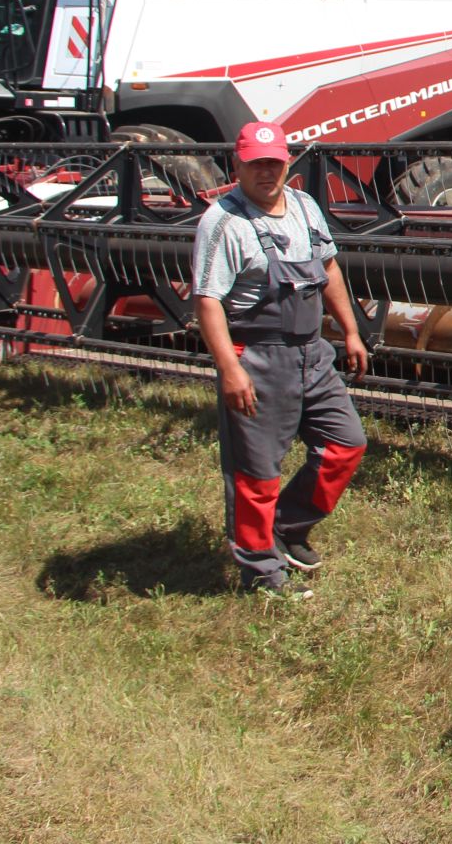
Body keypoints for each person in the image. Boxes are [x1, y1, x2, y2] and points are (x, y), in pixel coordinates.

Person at [192, 119, 369, 597]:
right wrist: (230, 368)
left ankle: (287, 527)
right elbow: (207, 300)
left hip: (313, 352)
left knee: (346, 444)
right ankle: (263, 572)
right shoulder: (223, 223)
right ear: (239, 164)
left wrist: (350, 330)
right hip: (258, 356)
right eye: (255, 164)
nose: (266, 172)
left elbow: (329, 268)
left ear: (287, 162)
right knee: (257, 474)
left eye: (274, 162)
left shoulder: (306, 206)